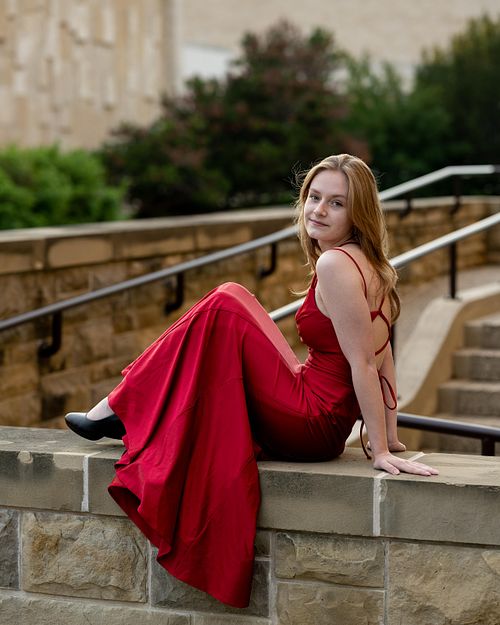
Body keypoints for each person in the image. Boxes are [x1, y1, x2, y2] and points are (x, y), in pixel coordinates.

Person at [65, 154, 438, 608]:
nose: (318, 210)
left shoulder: (335, 266)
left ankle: (119, 407)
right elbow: (386, 357)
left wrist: (378, 448)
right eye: (313, 197)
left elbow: (365, 362)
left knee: (224, 302)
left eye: (336, 203)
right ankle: (120, 406)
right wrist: (392, 436)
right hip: (318, 404)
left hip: (312, 419)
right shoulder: (371, 264)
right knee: (234, 296)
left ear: (357, 213)